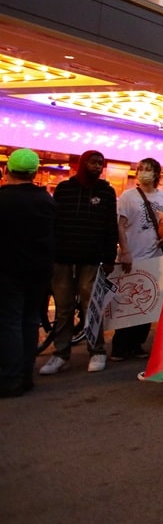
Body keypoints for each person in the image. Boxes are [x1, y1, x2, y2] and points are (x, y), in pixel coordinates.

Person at [40, 150, 117, 376]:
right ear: (83, 164)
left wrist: (109, 257)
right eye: (93, 162)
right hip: (62, 258)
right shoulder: (64, 189)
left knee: (91, 307)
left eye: (101, 163)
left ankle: (97, 351)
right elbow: (53, 222)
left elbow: (110, 226)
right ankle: (60, 353)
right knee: (63, 308)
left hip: (92, 259)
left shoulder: (106, 191)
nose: (98, 166)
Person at [0, 149, 55, 397]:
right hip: (39, 271)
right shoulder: (47, 201)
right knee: (30, 320)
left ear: (6, 170)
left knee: (9, 322)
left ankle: (9, 378)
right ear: (34, 173)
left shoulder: (3, 199)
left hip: (8, 270)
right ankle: (25, 375)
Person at [111, 158, 163, 361]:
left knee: (147, 303)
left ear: (156, 173)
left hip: (154, 255)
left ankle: (136, 344)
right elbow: (120, 225)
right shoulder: (128, 197)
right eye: (141, 169)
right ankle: (120, 345)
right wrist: (124, 250)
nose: (144, 172)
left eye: (149, 169)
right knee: (127, 301)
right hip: (132, 255)